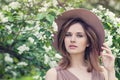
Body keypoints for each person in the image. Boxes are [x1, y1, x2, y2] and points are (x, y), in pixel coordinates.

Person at [45, 8, 117, 80]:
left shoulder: (102, 73)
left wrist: (111, 70)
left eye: (79, 35)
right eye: (68, 35)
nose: (72, 40)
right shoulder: (54, 74)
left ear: (88, 42)